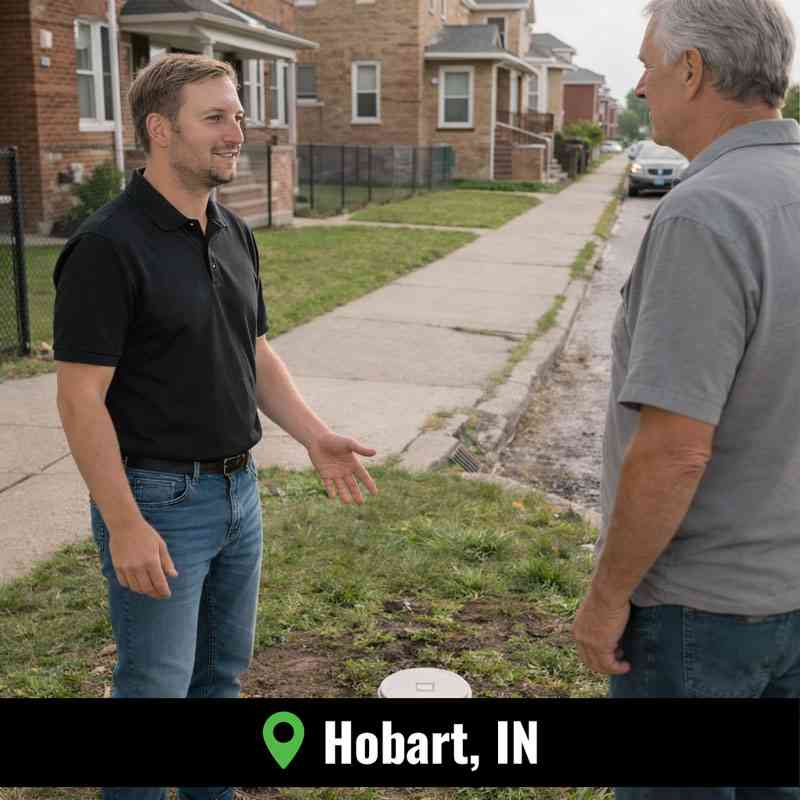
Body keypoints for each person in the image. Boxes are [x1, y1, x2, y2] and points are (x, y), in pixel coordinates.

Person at [53, 54, 378, 800]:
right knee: (154, 693)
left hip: (240, 495)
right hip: (160, 502)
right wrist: (124, 521)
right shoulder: (109, 246)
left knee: (220, 681)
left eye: (237, 114)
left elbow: (252, 349)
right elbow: (79, 401)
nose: (238, 131)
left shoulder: (231, 230)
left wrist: (312, 434)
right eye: (217, 117)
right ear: (160, 130)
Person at [572, 0, 800, 797]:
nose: (639, 85)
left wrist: (606, 598)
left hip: (700, 617)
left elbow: (674, 451)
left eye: (648, 64)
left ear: (693, 71)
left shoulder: (706, 213)